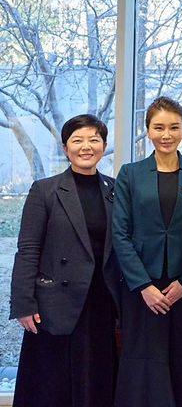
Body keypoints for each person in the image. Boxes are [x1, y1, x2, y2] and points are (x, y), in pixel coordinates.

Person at [9, 114, 122, 407]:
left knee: (97, 379)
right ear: (65, 147)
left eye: (94, 139)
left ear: (104, 145)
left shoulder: (115, 190)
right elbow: (28, 249)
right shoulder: (44, 190)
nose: (86, 146)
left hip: (102, 300)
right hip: (55, 302)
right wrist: (23, 303)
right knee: (53, 385)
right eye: (78, 140)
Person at [112, 96, 182, 407]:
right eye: (158, 127)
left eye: (173, 127)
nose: (166, 134)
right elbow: (120, 234)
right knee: (142, 361)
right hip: (141, 286)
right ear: (148, 130)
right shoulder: (130, 173)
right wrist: (143, 285)